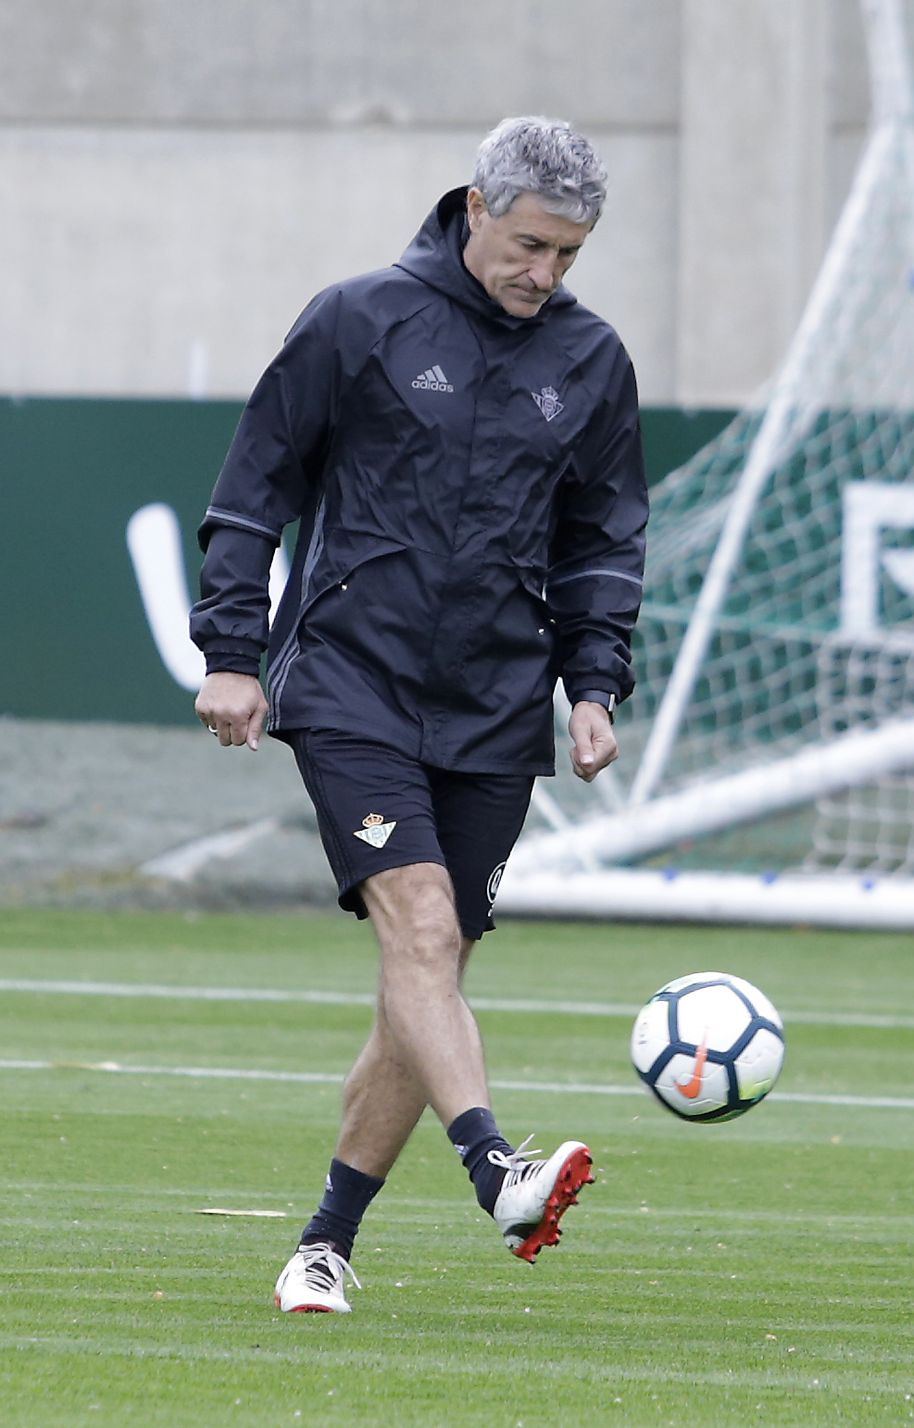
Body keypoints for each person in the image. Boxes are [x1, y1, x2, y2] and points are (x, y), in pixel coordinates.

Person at [188, 116, 647, 1314]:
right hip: (351, 682)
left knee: (422, 980)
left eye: (570, 257)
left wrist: (593, 685)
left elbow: (604, 541)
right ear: (477, 205)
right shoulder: (357, 319)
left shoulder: (592, 361)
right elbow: (254, 492)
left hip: (496, 709)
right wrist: (234, 652)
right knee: (423, 935)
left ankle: (323, 1244)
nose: (545, 276)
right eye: (533, 245)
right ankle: (497, 1166)